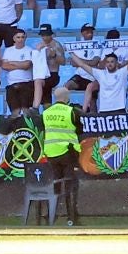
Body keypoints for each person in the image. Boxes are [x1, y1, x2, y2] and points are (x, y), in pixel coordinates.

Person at [40, 95, 83, 226]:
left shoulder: (46, 113)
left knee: (55, 185)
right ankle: (71, 218)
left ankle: (50, 216)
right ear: (67, 98)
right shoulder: (72, 111)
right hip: (68, 153)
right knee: (70, 184)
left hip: (51, 153)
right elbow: (80, 129)